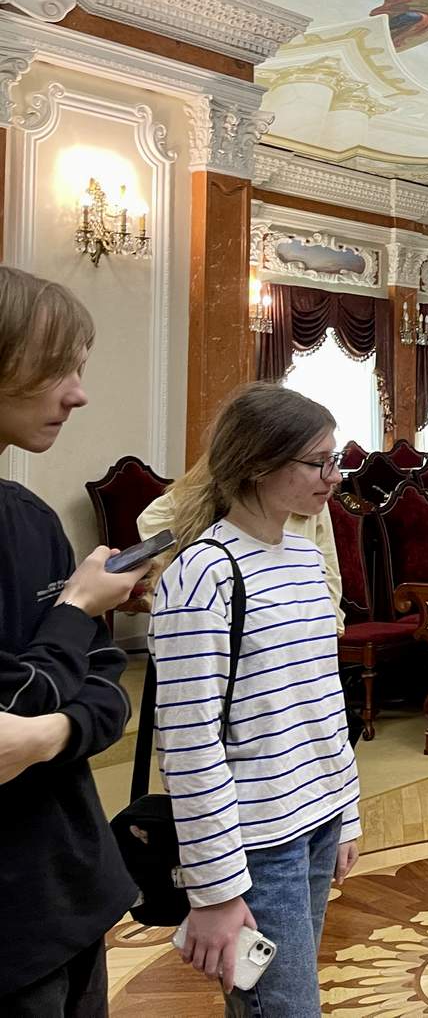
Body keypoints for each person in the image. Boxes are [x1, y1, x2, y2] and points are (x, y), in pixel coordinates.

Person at [150, 383, 362, 1016]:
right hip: (254, 843)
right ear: (258, 466)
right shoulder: (202, 573)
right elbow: (188, 744)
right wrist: (215, 890)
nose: (333, 477)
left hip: (316, 818)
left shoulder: (303, 558)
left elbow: (322, 702)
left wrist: (345, 811)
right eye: (318, 462)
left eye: (335, 460)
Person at [0, 266, 143, 1018]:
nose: (78, 394)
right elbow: (14, 703)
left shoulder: (29, 515)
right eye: (59, 368)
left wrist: (47, 735)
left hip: (76, 884)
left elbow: (107, 684)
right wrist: (78, 606)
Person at [138, 478, 344, 631]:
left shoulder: (313, 505)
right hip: (242, 623)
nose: (334, 476)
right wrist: (195, 556)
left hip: (298, 623)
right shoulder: (215, 484)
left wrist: (330, 619)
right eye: (315, 461)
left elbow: (329, 565)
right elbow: (151, 519)